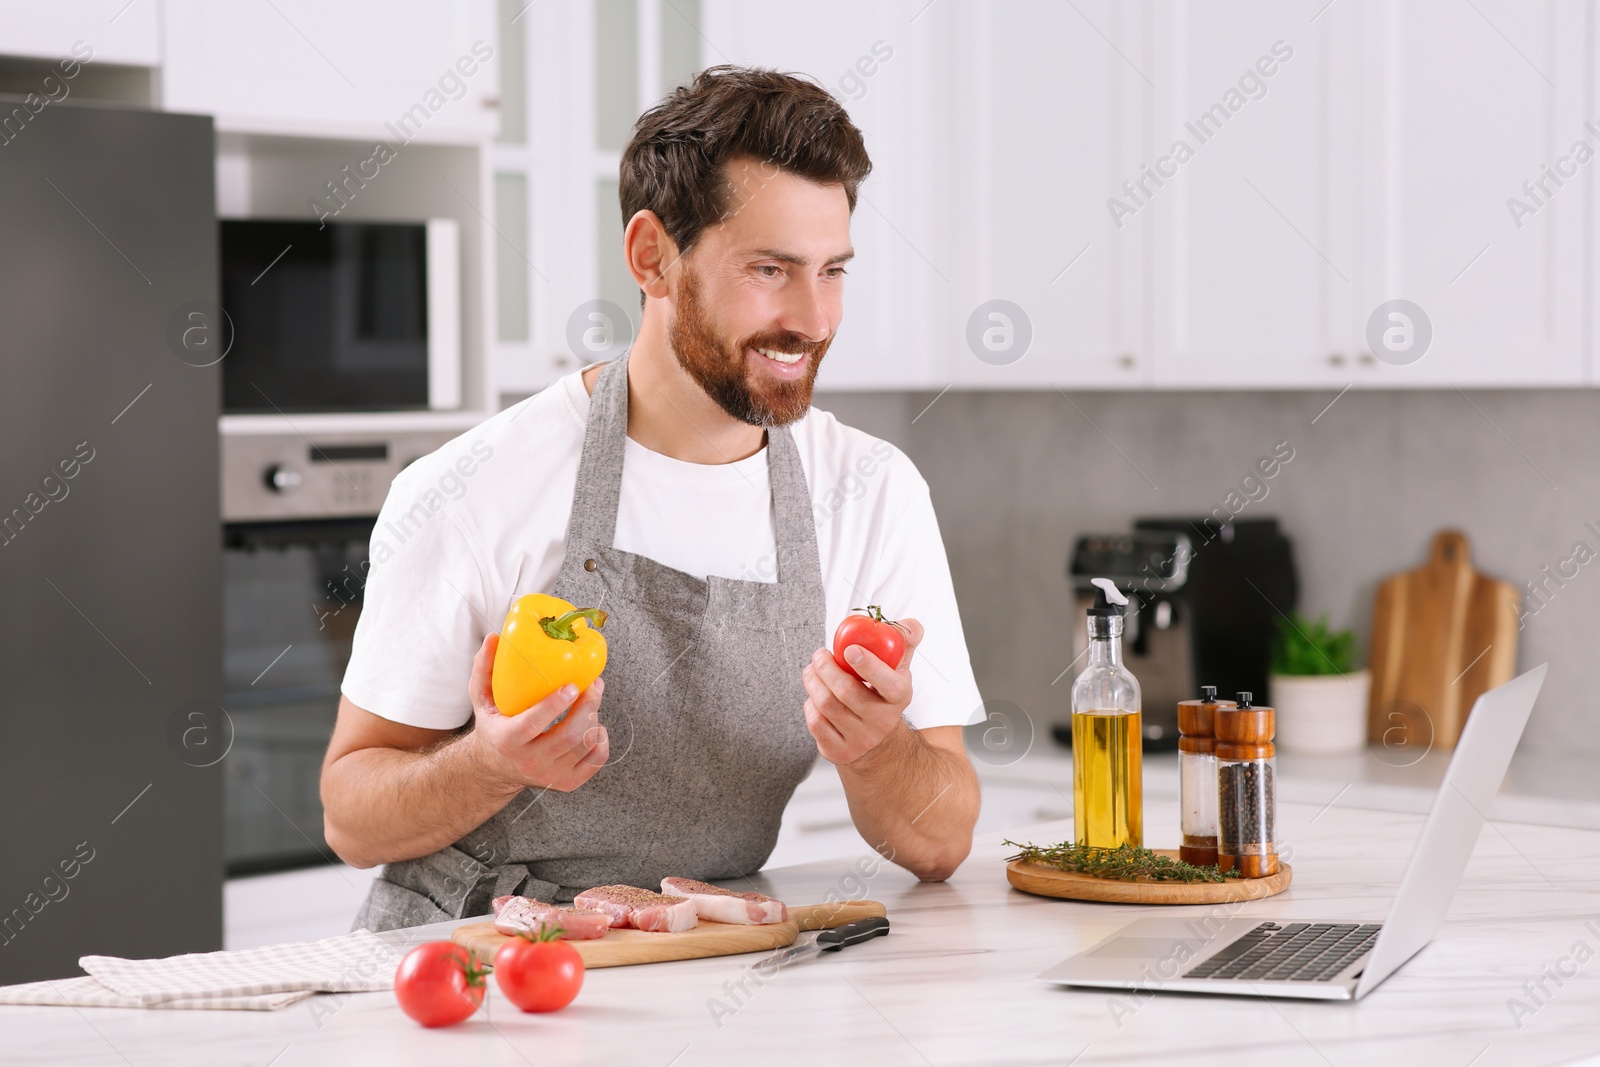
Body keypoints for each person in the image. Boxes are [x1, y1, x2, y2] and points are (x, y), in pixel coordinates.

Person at [321, 66, 984, 930]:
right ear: (651, 257)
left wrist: (877, 749)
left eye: (833, 271)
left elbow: (941, 843)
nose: (813, 318)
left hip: (695, 950)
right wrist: (492, 761)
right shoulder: (473, 486)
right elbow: (351, 814)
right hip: (488, 961)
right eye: (769, 269)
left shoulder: (873, 491)